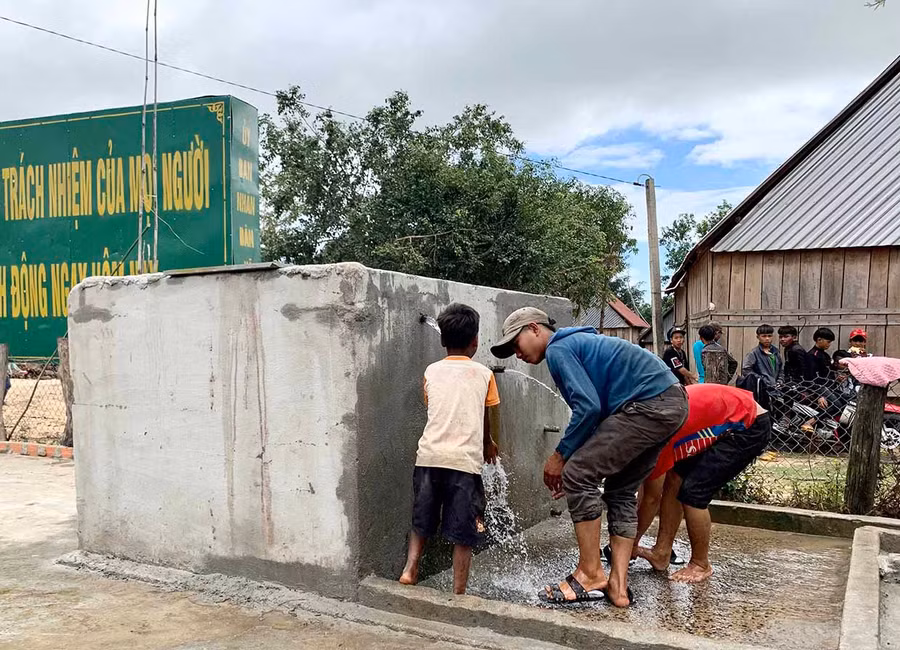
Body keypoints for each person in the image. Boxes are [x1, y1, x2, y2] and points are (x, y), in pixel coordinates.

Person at [491, 307, 688, 607]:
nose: (517, 355)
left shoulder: (558, 348)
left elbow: (588, 408)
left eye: (515, 344)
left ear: (534, 328)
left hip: (648, 404)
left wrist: (561, 458)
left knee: (577, 474)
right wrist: (576, 462)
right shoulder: (581, 343)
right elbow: (599, 419)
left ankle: (590, 573)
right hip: (671, 403)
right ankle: (618, 587)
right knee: (620, 490)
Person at [399, 303, 501, 595]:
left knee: (422, 520)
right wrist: (489, 443)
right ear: (475, 341)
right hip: (464, 464)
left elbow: (434, 407)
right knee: (464, 532)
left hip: (428, 458)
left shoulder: (431, 371)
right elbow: (486, 414)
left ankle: (410, 569)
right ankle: (458, 590)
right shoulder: (484, 374)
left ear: (443, 339)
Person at [635, 383, 771, 583]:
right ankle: (661, 552)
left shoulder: (656, 438)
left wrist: (630, 543)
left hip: (748, 423)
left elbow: (650, 499)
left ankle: (700, 564)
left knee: (693, 493)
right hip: (724, 414)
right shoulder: (647, 425)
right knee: (675, 478)